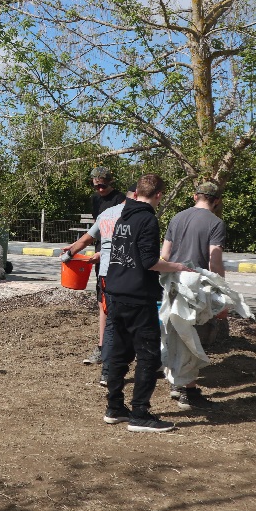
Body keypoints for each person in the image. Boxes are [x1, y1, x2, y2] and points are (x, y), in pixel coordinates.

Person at [103, 174, 192, 432]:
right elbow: (149, 261)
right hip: (138, 297)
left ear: (136, 192)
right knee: (148, 355)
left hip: (116, 292)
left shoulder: (123, 216)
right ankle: (140, 413)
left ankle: (115, 407)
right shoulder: (148, 219)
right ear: (159, 195)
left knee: (120, 353)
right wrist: (178, 267)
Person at [159, 181, 226, 410]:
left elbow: (165, 255)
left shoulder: (177, 218)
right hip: (196, 286)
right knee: (193, 337)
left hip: (173, 283)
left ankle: (177, 385)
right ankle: (188, 391)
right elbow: (214, 261)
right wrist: (222, 291)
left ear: (195, 196)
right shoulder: (216, 223)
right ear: (216, 200)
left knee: (175, 333)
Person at [63, 182, 138, 386]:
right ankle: (120, 364)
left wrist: (69, 254)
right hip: (127, 274)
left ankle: (108, 369)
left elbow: (87, 239)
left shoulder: (108, 213)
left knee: (111, 319)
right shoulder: (138, 215)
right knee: (131, 319)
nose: (99, 190)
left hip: (106, 274)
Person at [84, 166, 127, 365]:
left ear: (110, 182)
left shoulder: (120, 199)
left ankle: (114, 344)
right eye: (96, 186)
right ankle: (103, 345)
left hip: (115, 252)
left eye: (103, 186)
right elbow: (97, 225)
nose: (100, 190)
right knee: (102, 298)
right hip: (101, 249)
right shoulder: (95, 199)